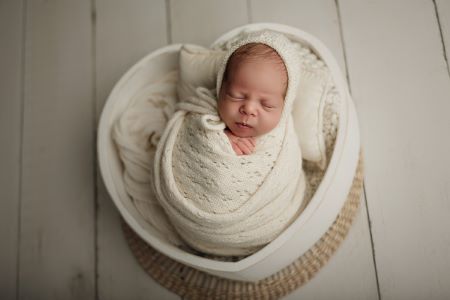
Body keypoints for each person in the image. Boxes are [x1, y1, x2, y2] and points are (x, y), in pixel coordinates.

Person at [218, 43, 288, 156]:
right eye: (236, 96)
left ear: (285, 107)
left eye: (267, 105)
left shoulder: (284, 139)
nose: (249, 109)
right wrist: (220, 139)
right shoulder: (203, 114)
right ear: (220, 89)